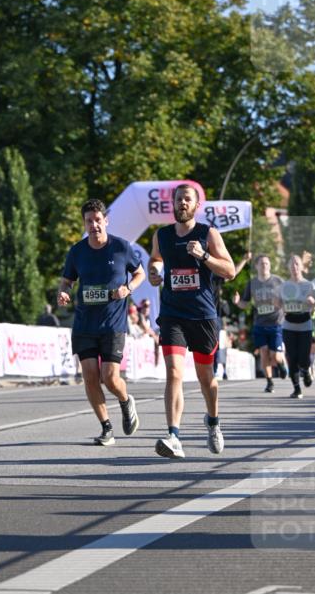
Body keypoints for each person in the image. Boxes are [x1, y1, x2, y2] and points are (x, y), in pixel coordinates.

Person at [149, 183, 235, 458]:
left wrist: (205, 255)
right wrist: (153, 271)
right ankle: (174, 436)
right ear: (172, 204)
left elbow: (230, 270)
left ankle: (213, 422)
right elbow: (156, 260)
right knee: (174, 372)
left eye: (187, 199)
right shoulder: (161, 235)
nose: (182, 203)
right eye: (178, 199)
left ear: (197, 205)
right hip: (173, 314)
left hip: (203, 315)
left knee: (205, 378)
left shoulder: (207, 233)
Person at [57, 199, 144, 446]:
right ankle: (106, 427)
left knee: (110, 377)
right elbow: (67, 281)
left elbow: (140, 274)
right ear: (84, 223)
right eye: (89, 221)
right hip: (85, 324)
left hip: (113, 323)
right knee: (91, 377)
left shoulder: (121, 248)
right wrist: (63, 292)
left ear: (106, 220)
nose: (94, 225)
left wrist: (128, 288)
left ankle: (126, 401)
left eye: (98, 220)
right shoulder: (77, 251)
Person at [233, 254, 287, 393]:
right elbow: (245, 303)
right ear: (256, 266)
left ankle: (281, 365)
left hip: (276, 322)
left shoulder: (278, 281)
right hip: (260, 324)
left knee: (275, 356)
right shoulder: (252, 283)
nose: (264, 266)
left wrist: (284, 306)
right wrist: (238, 302)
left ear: (270, 265)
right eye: (261, 263)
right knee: (263, 352)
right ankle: (269, 382)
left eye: (267, 263)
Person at [280, 254, 315, 399]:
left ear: (302, 267)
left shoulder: (309, 285)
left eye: (297, 264)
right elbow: (277, 302)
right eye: (292, 264)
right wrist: (277, 303)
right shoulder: (284, 286)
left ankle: (306, 370)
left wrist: (312, 301)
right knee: (292, 357)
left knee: (303, 357)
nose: (294, 267)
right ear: (289, 267)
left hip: (305, 325)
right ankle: (296, 388)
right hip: (289, 325)